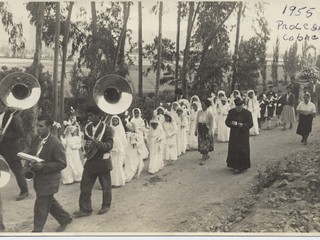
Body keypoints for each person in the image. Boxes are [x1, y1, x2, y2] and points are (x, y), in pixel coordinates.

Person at [28, 115, 72, 232]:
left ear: (49, 127)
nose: (38, 128)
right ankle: (65, 218)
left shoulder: (56, 143)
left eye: (41, 126)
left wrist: (43, 166)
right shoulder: (36, 139)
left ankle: (37, 231)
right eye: (37, 125)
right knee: (49, 201)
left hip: (49, 180)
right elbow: (32, 153)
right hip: (39, 179)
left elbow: (62, 163)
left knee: (40, 206)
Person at [73, 105, 114, 218]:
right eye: (88, 116)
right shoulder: (88, 128)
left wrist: (98, 144)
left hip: (102, 162)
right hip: (90, 161)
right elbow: (86, 143)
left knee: (106, 186)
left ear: (98, 116)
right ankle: (85, 209)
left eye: (91, 116)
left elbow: (109, 145)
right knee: (84, 186)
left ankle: (106, 205)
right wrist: (85, 146)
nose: (89, 118)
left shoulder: (108, 129)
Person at [0, 100, 29, 201]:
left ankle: (24, 191)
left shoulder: (12, 117)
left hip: (10, 148)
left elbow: (20, 133)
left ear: (4, 106)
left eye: (0, 105)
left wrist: (4, 135)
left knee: (17, 170)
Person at [225, 97, 253, 173]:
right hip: (234, 133)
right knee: (234, 149)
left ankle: (243, 166)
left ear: (242, 106)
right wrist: (232, 123)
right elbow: (227, 122)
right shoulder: (231, 112)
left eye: (240, 108)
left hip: (243, 134)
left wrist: (243, 125)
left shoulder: (247, 113)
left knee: (242, 150)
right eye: (237, 108)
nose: (238, 109)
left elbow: (251, 124)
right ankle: (235, 165)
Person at [195, 99, 214, 166]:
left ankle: (203, 158)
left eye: (203, 104)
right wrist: (195, 130)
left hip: (206, 129)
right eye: (201, 104)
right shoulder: (199, 112)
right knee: (201, 143)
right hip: (200, 129)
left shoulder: (209, 113)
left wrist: (209, 132)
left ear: (207, 105)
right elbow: (197, 122)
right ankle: (206, 154)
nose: (202, 106)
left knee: (205, 144)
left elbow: (211, 124)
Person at [109, 116, 127, 187]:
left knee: (118, 165)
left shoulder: (120, 128)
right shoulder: (110, 128)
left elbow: (122, 138)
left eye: (116, 121)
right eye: (113, 121)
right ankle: (112, 181)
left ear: (118, 121)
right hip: (112, 146)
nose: (114, 122)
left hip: (118, 146)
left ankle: (118, 181)